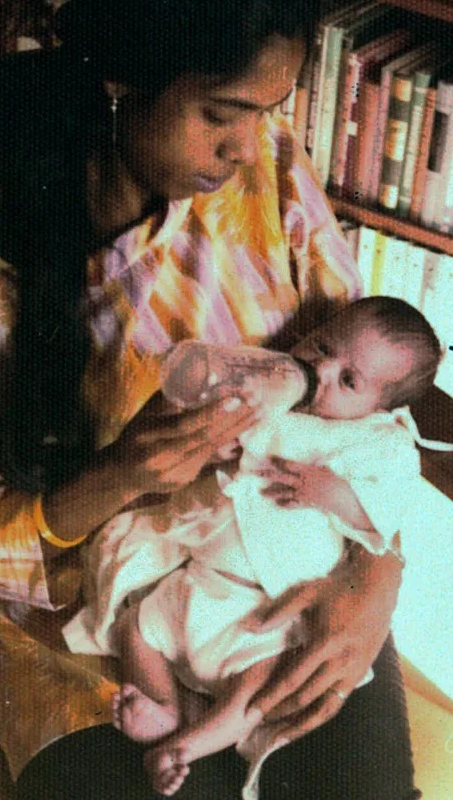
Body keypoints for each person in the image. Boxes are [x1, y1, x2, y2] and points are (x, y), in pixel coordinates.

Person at [0, 0, 422, 798]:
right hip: (92, 647)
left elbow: (371, 393)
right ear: (121, 82)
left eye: (265, 111)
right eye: (221, 113)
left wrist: (375, 584)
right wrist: (121, 474)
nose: (246, 146)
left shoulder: (270, 173)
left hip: (283, 586)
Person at [63, 296, 446, 799]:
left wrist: (332, 493)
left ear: (382, 407)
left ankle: (187, 746)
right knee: (137, 627)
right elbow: (211, 435)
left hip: (267, 610)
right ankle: (163, 708)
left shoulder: (375, 442)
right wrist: (213, 447)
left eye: (349, 380)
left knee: (258, 689)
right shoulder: (275, 389)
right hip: (200, 579)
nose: (322, 370)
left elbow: (384, 513)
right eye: (322, 347)